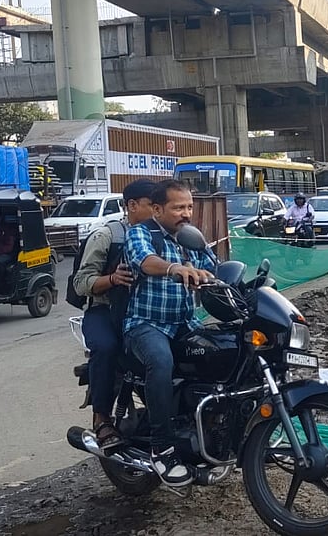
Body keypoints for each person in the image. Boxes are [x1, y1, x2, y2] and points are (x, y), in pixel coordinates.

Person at [123, 180, 215, 487]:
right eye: (178, 208)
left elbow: (213, 267)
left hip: (185, 323)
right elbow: (145, 261)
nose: (186, 213)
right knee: (161, 361)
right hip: (146, 324)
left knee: (225, 353)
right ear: (158, 209)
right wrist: (174, 268)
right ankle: (162, 448)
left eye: (189, 207)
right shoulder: (141, 233)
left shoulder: (191, 238)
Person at [72, 178, 157, 452]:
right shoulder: (107, 236)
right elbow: (81, 283)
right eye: (152, 205)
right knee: (107, 347)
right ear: (132, 205)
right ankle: (102, 418)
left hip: (144, 312)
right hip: (105, 310)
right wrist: (112, 279)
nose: (157, 210)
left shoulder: (162, 235)